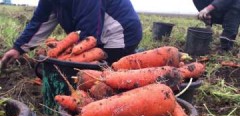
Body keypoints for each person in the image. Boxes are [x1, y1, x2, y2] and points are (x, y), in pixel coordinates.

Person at [1, 0, 142, 68]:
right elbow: (39, 22)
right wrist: (18, 48)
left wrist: (67, 58)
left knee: (103, 71)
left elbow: (88, 35)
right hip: (95, 32)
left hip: (120, 35)